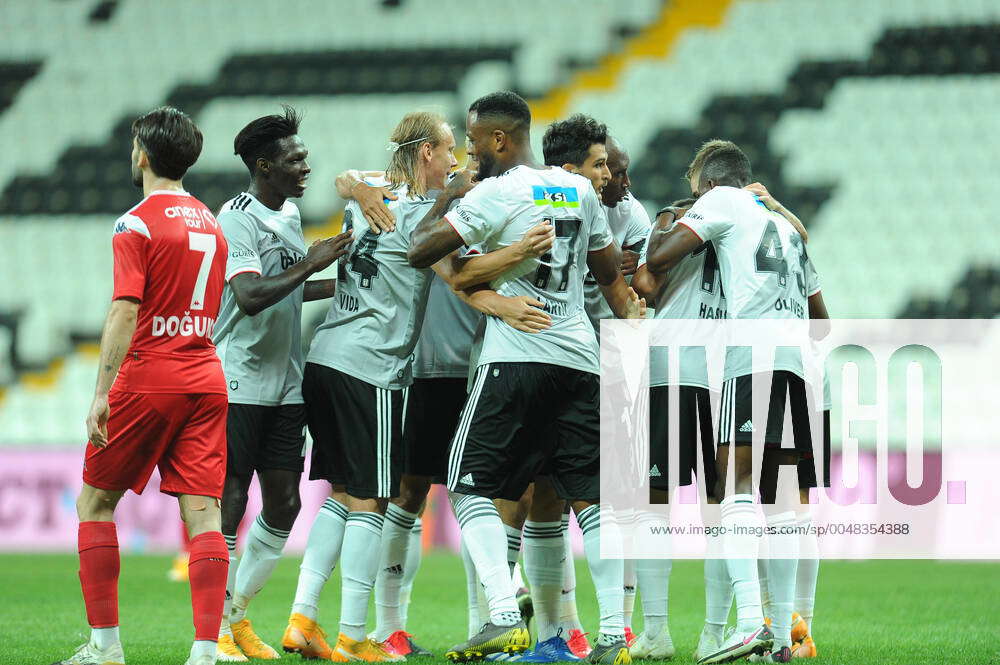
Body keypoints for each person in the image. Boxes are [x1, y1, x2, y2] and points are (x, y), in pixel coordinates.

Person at [296, 110, 557, 662]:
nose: (462, 159)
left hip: (366, 359)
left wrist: (357, 187)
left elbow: (352, 181)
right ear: (426, 155)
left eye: (469, 147)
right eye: (451, 150)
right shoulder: (420, 210)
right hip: (402, 368)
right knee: (393, 496)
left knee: (368, 493)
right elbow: (456, 274)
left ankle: (480, 617)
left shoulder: (383, 196)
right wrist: (511, 284)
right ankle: (375, 628)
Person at [407, 91, 645, 664]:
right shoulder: (579, 190)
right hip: (579, 359)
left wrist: (461, 209)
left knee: (466, 487)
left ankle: (502, 616)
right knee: (591, 503)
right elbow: (609, 274)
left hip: (515, 357)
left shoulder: (495, 192)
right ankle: (615, 637)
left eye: (472, 141)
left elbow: (422, 251)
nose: (468, 152)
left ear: (498, 141)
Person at [644, 140, 826, 664]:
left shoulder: (718, 202)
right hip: (798, 363)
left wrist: (676, 219)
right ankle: (787, 632)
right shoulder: (787, 226)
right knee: (786, 503)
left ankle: (750, 623)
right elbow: (824, 323)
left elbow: (656, 261)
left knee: (736, 487)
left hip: (751, 357)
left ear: (707, 185)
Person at [58, 107, 229, 665]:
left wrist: (102, 392)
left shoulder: (135, 222)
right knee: (205, 515)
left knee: (94, 503)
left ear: (145, 154)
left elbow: (125, 310)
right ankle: (205, 650)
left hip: (150, 376)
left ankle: (105, 646)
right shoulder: (211, 221)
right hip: (206, 377)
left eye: (135, 144)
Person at [211, 107, 352, 662]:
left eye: (305, 157)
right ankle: (216, 627)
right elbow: (248, 296)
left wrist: (340, 283)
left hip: (285, 384)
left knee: (286, 503)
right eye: (295, 159)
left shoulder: (290, 214)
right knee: (229, 499)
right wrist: (310, 264)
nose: (305, 165)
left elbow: (288, 290)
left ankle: (238, 616)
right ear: (264, 164)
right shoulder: (236, 216)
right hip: (238, 378)